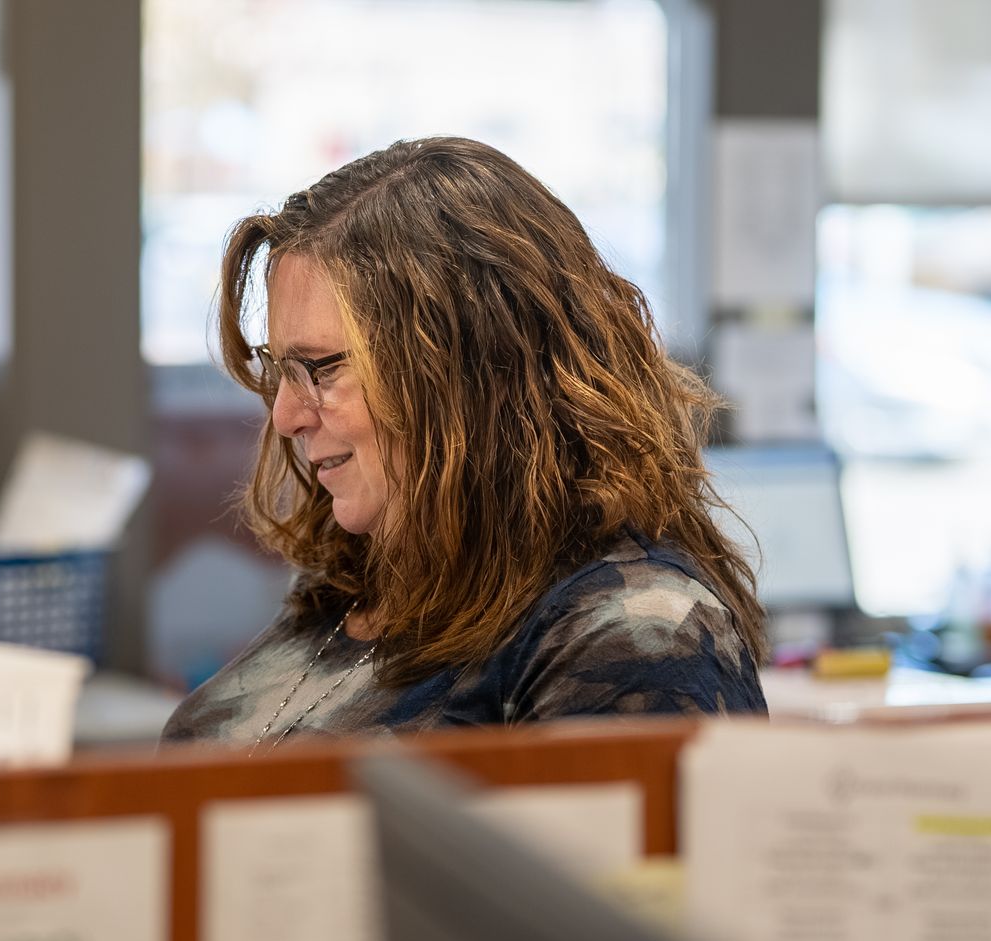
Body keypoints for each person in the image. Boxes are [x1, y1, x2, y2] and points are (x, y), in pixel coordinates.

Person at [162, 137, 767, 748]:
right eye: (283, 370)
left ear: (471, 375)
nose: (289, 415)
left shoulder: (632, 637)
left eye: (322, 368)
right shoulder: (352, 588)